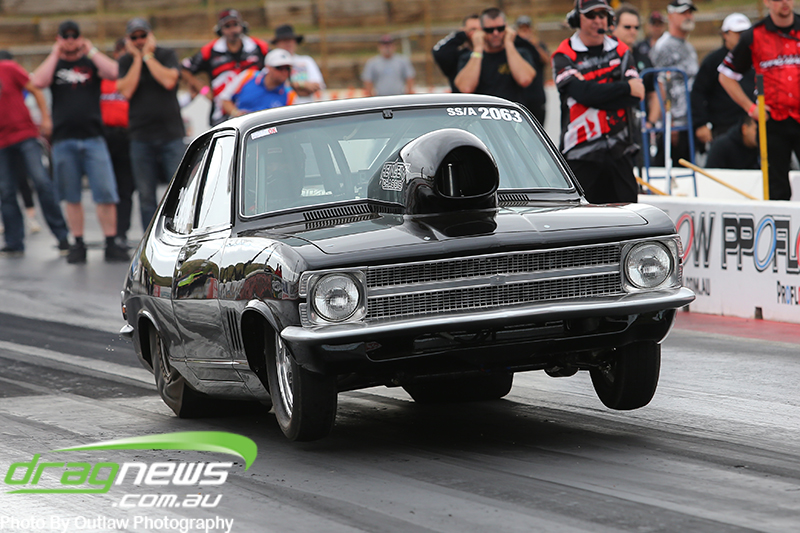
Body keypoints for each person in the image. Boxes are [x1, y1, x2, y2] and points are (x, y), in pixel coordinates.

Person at [31, 20, 128, 263]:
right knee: (71, 195)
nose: (71, 40)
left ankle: (110, 241)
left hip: (94, 137)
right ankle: (78, 242)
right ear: (59, 38)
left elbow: (115, 72)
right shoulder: (55, 64)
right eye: (66, 36)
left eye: (74, 36)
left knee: (105, 193)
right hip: (64, 140)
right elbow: (38, 82)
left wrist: (91, 50)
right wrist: (55, 52)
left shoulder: (90, 62)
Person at [552, 0, 644, 203]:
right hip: (580, 152)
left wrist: (594, 94)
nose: (597, 20)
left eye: (602, 15)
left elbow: (635, 95)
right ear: (577, 19)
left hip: (620, 150)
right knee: (580, 217)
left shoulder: (621, 50)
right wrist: (624, 88)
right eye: (590, 15)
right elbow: (582, 93)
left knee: (629, 214)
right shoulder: (564, 54)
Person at [719, 0, 800, 200]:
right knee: (776, 186)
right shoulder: (754, 35)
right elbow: (726, 76)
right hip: (773, 120)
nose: (784, 2)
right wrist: (751, 108)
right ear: (767, 2)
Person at [117, 17, 186, 231]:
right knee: (146, 194)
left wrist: (148, 56)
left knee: (179, 190)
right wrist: (138, 59)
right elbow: (126, 90)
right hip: (141, 137)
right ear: (128, 40)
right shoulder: (125, 61)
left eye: (143, 36)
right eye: (134, 37)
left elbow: (168, 81)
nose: (139, 40)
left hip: (170, 134)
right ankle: (150, 236)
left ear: (150, 36)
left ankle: (179, 232)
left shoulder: (166, 54)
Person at [0, 52, 70, 256]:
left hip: (25, 135)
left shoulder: (8, 68)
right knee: (6, 191)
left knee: (41, 182)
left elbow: (35, 90)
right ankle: (14, 242)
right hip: (2, 143)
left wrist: (46, 118)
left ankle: (62, 237)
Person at [181, 9, 269, 125]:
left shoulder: (258, 46)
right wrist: (204, 90)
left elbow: (276, 66)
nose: (233, 30)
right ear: (220, 29)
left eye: (235, 24)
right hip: (221, 113)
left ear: (242, 26)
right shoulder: (210, 50)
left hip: (254, 109)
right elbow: (184, 69)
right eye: (227, 26)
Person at [692, 13, 754, 150]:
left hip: (752, 124)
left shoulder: (757, 57)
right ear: (725, 34)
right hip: (723, 126)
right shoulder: (713, 61)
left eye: (745, 33)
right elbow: (698, 92)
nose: (742, 37)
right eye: (738, 33)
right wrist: (700, 123)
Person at [649, 0, 699, 166]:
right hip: (673, 125)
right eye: (683, 13)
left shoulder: (688, 47)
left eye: (690, 12)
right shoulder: (664, 46)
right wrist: (669, 121)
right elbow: (660, 84)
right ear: (671, 16)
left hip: (690, 120)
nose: (688, 16)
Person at [454, 7, 536, 105]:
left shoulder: (521, 53)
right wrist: (478, 48)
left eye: (500, 29)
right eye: (490, 30)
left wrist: (509, 44)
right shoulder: (469, 57)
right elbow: (466, 88)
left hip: (510, 112)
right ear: (482, 31)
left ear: (506, 28)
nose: (495, 33)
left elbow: (525, 80)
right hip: (482, 112)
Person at [101, 38, 135, 247]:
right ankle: (110, 233)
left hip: (128, 136)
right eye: (120, 51)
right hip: (105, 136)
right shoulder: (104, 78)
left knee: (126, 188)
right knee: (106, 188)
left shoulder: (134, 78)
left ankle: (122, 231)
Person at [612, 4, 660, 133]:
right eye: (627, 27)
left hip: (640, 126)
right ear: (613, 27)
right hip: (614, 126)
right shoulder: (605, 57)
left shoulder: (643, 56)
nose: (632, 31)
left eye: (636, 27)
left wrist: (650, 123)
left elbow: (654, 93)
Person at [220, 48, 297, 116]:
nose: (284, 72)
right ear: (268, 67)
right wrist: (236, 113)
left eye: (287, 68)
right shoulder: (247, 76)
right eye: (279, 68)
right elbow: (224, 98)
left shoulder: (290, 96)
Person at [271, 24, 324, 104]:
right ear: (277, 43)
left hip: (306, 106)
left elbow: (317, 86)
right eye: (284, 40)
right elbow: (274, 87)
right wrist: (303, 85)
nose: (288, 43)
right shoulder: (271, 63)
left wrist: (290, 86)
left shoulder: (307, 60)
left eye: (290, 40)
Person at [432, 14, 482, 93]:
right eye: (473, 29)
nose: (478, 33)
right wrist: (459, 36)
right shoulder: (458, 55)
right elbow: (438, 51)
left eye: (481, 29)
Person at [514, 15, 549, 123]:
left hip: (536, 96)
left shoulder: (537, 45)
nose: (525, 32)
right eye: (522, 29)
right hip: (521, 96)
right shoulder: (515, 46)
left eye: (527, 29)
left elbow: (547, 60)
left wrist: (535, 45)